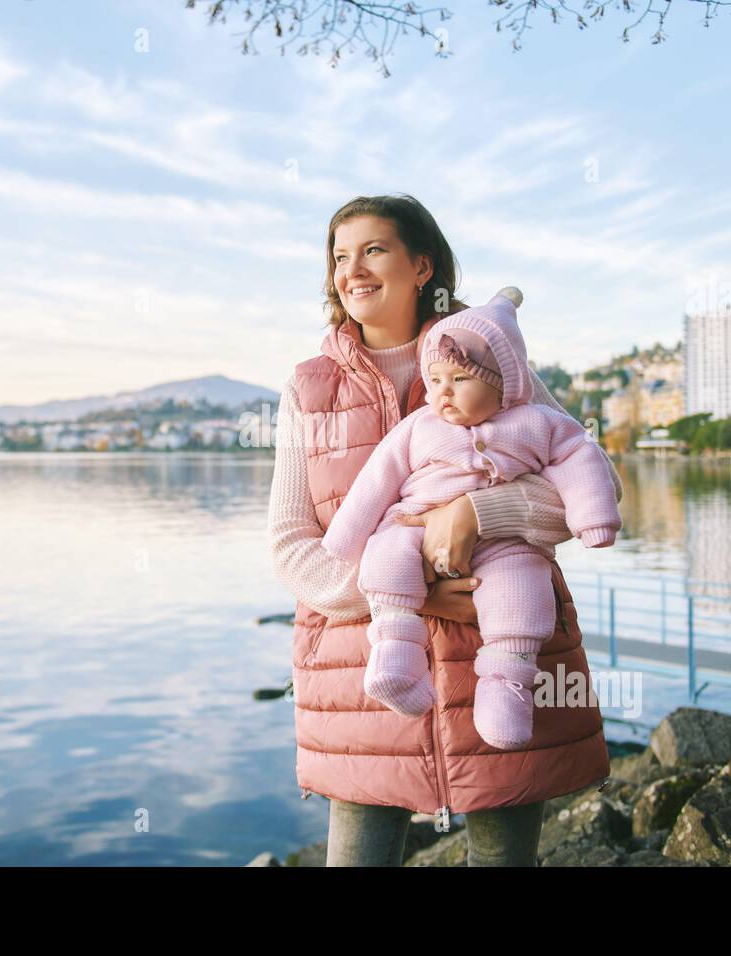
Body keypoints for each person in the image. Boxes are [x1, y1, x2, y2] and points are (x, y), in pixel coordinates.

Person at [267, 193, 623, 867]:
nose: (353, 270)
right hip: (363, 676)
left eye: (373, 249)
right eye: (340, 257)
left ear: (422, 264)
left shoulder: (494, 362)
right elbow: (291, 546)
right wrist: (405, 592)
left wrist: (479, 513)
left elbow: (595, 486)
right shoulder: (308, 390)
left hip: (503, 659)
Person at [320, 288, 621, 751]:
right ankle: (395, 659)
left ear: (505, 383)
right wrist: (344, 540)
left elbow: (581, 458)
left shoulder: (536, 422)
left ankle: (507, 688)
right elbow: (377, 479)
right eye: (435, 379)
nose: (443, 391)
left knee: (522, 590)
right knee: (386, 558)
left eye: (460, 378)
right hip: (412, 524)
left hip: (506, 546)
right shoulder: (419, 427)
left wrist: (594, 517)